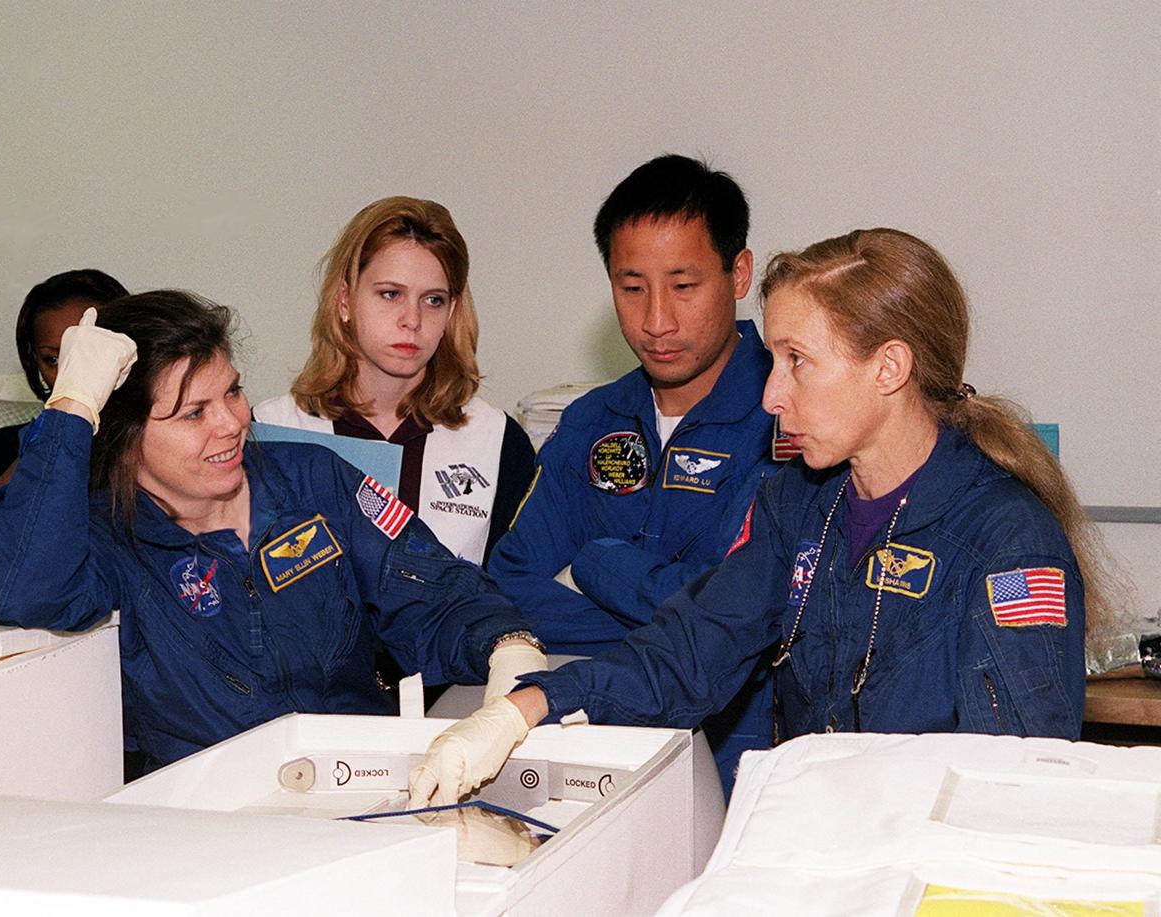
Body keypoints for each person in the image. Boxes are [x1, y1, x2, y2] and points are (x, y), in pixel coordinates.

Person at [408, 228, 1101, 809]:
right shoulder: (801, 504)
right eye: (773, 359)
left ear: (888, 368)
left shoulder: (1008, 539)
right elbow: (686, 654)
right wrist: (523, 708)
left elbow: (1016, 790)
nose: (772, 394)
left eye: (798, 361)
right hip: (808, 848)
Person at [0, 290, 544, 772]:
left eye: (233, 391)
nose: (232, 422)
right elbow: (24, 589)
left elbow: (434, 593)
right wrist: (71, 409)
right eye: (194, 413)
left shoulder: (313, 482)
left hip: (355, 784)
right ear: (124, 437)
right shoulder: (108, 537)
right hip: (204, 819)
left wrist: (508, 648)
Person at [486, 155, 779, 795]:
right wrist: (673, 625)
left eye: (683, 285)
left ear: (739, 274)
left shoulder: (787, 417)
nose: (656, 321)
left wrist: (595, 565)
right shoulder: (593, 420)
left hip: (737, 766)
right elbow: (510, 586)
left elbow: (747, 616)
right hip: (579, 749)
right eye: (631, 286)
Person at [255, 196, 534, 566]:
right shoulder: (271, 431)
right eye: (391, 294)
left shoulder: (498, 441)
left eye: (433, 300)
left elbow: (513, 591)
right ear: (344, 301)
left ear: (452, 311)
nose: (412, 320)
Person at [0, 269, 129, 571]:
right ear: (34, 363)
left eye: (88, 355)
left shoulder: (158, 444)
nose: (69, 372)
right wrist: (48, 443)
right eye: (53, 359)